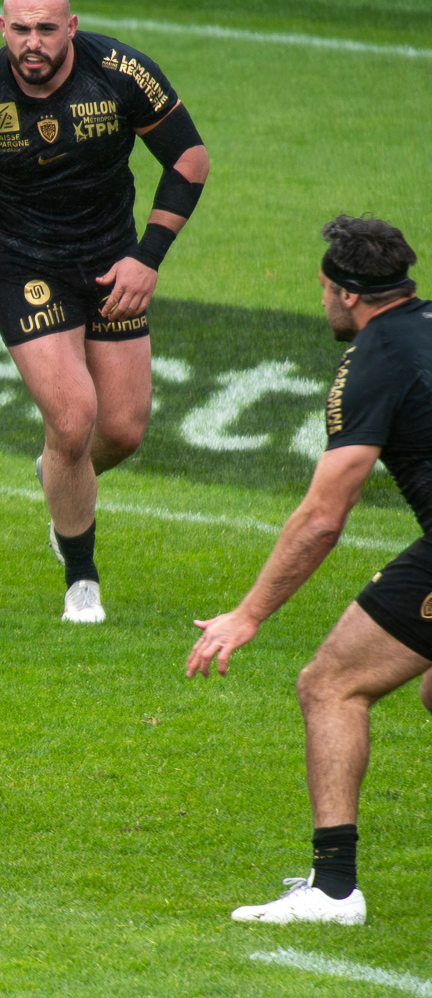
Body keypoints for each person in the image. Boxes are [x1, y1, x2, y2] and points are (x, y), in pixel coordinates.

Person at [0, 0, 211, 624]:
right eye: (20, 29)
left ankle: (58, 474)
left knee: (122, 429)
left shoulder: (122, 73)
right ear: (2, 28)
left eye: (47, 29)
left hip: (111, 260)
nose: (33, 43)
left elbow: (189, 159)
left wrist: (147, 259)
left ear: (71, 28)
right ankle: (81, 579)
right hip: (21, 263)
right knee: (73, 418)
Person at [187, 216, 429, 927]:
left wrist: (248, 613)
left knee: (330, 685)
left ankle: (334, 890)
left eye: (323, 288)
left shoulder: (374, 359)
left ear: (348, 293)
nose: (321, 300)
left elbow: (324, 516)